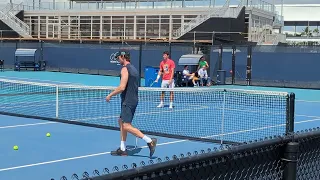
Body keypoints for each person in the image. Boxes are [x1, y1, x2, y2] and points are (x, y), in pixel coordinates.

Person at [106, 50, 157, 157]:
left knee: (126, 125)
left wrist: (110, 95)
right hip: (132, 100)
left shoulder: (125, 69)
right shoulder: (134, 69)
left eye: (118, 58)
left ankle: (149, 141)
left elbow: (122, 87)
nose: (118, 60)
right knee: (121, 121)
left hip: (128, 101)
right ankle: (123, 149)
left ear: (123, 57)